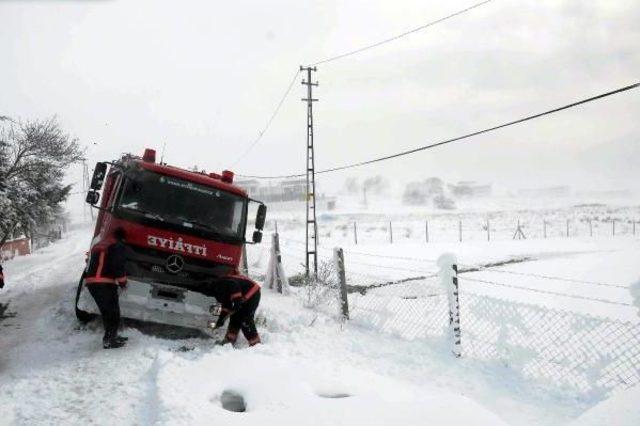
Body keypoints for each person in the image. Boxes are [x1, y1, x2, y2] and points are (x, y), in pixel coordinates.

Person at [84, 227, 128, 349]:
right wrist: (123, 283)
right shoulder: (117, 245)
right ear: (122, 238)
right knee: (113, 313)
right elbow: (118, 265)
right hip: (104, 283)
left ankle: (111, 337)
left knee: (107, 312)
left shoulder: (99, 244)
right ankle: (109, 340)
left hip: (92, 282)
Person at [210, 277, 261, 347]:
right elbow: (226, 308)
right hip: (242, 296)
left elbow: (237, 301)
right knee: (234, 317)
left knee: (245, 319)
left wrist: (237, 305)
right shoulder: (223, 292)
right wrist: (220, 321)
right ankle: (229, 340)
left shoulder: (230, 284)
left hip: (253, 293)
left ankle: (255, 344)